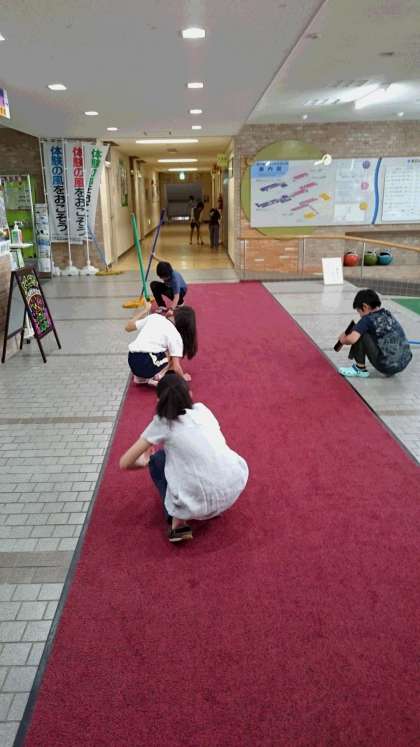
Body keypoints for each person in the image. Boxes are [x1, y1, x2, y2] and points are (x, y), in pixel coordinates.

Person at [119, 372, 249, 543]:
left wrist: (145, 462)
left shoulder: (162, 423)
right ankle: (214, 508)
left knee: (158, 460)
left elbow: (125, 463)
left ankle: (178, 525)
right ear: (190, 394)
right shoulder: (202, 409)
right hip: (232, 488)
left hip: (197, 503)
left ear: (159, 401)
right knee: (190, 456)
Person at [337, 288, 412, 378]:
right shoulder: (387, 314)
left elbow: (352, 339)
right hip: (404, 361)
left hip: (387, 366)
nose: (360, 315)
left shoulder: (366, 319)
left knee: (361, 334)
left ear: (365, 306)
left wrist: (343, 340)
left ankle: (360, 369)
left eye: (359, 311)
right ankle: (391, 363)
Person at [125, 303, 197, 386]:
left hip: (131, 359)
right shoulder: (175, 335)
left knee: (158, 347)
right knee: (171, 353)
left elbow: (128, 327)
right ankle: (155, 377)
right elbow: (176, 367)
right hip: (147, 364)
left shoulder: (154, 317)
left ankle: (141, 377)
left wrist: (144, 311)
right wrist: (183, 377)